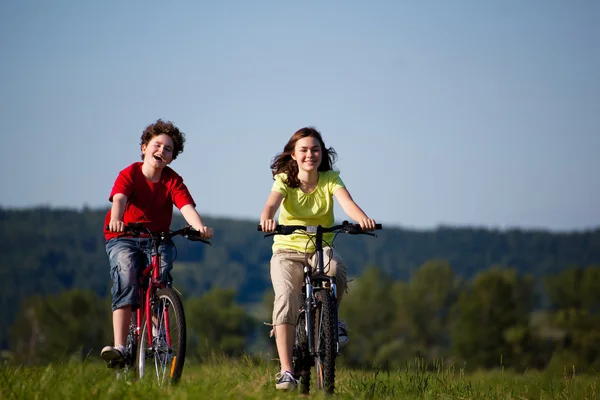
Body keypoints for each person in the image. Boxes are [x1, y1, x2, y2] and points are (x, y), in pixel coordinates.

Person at [259, 126, 376, 390]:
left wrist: (362, 220)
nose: (310, 154)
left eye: (315, 149)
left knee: (337, 269)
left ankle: (332, 318)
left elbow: (348, 203)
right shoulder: (284, 180)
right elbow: (271, 205)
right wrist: (267, 219)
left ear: (322, 153)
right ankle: (287, 370)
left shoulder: (331, 179)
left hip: (320, 247)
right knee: (287, 297)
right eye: (304, 150)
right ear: (293, 155)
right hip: (287, 250)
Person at [101, 119, 213, 366]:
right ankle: (120, 345)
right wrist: (117, 219)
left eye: (168, 149)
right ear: (144, 147)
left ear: (172, 158)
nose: (161, 151)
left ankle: (157, 327)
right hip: (124, 236)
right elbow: (119, 199)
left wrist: (199, 227)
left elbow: (186, 206)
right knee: (126, 273)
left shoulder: (172, 180)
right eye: (157, 145)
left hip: (156, 238)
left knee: (160, 276)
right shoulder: (130, 174)